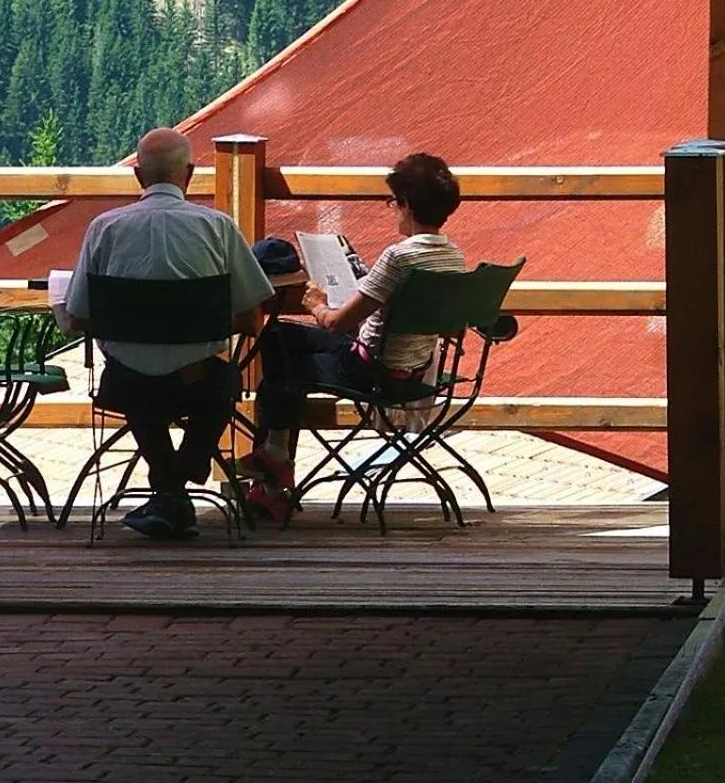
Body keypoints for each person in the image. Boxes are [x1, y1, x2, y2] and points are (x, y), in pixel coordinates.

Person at [61, 128, 274, 539]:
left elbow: (79, 316)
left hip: (128, 386)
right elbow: (251, 319)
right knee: (221, 382)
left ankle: (167, 489)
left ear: (139, 176)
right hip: (199, 386)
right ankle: (183, 473)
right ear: (189, 174)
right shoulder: (218, 227)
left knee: (136, 378)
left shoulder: (104, 228)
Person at [241, 152, 465, 520]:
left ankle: (274, 467)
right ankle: (274, 467)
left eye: (394, 202)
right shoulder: (452, 255)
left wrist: (314, 302)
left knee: (277, 344)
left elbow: (336, 324)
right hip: (412, 371)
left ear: (406, 204)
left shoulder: (398, 257)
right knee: (283, 340)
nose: (393, 209)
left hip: (370, 369)